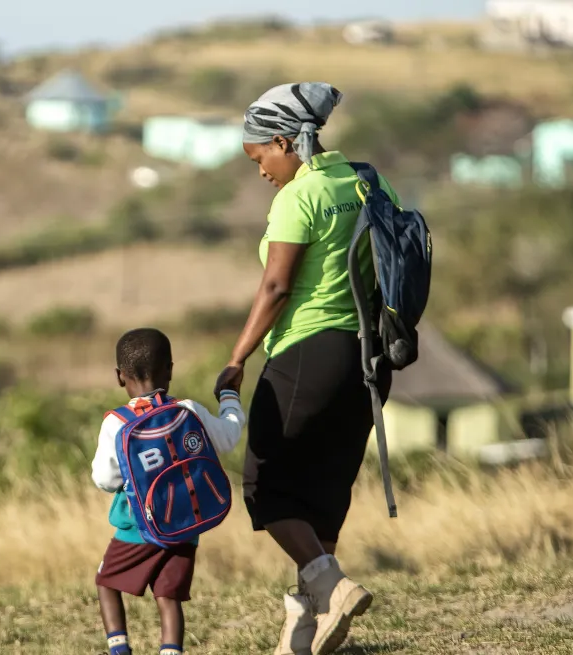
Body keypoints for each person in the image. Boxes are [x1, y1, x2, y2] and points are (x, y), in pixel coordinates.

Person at [213, 82, 397, 655]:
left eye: (260, 158)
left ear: (283, 141)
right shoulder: (367, 182)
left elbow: (276, 286)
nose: (261, 172)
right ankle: (310, 630)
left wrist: (237, 358)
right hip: (369, 359)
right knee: (323, 492)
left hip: (307, 354)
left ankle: (333, 588)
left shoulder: (301, 196)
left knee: (264, 487)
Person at [91, 327, 246, 655]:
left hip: (136, 529)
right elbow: (229, 436)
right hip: (185, 525)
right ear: (170, 370)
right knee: (169, 596)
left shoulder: (116, 423)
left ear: (120, 377)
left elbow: (104, 479)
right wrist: (230, 397)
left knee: (106, 583)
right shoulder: (189, 411)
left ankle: (119, 648)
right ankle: (171, 650)